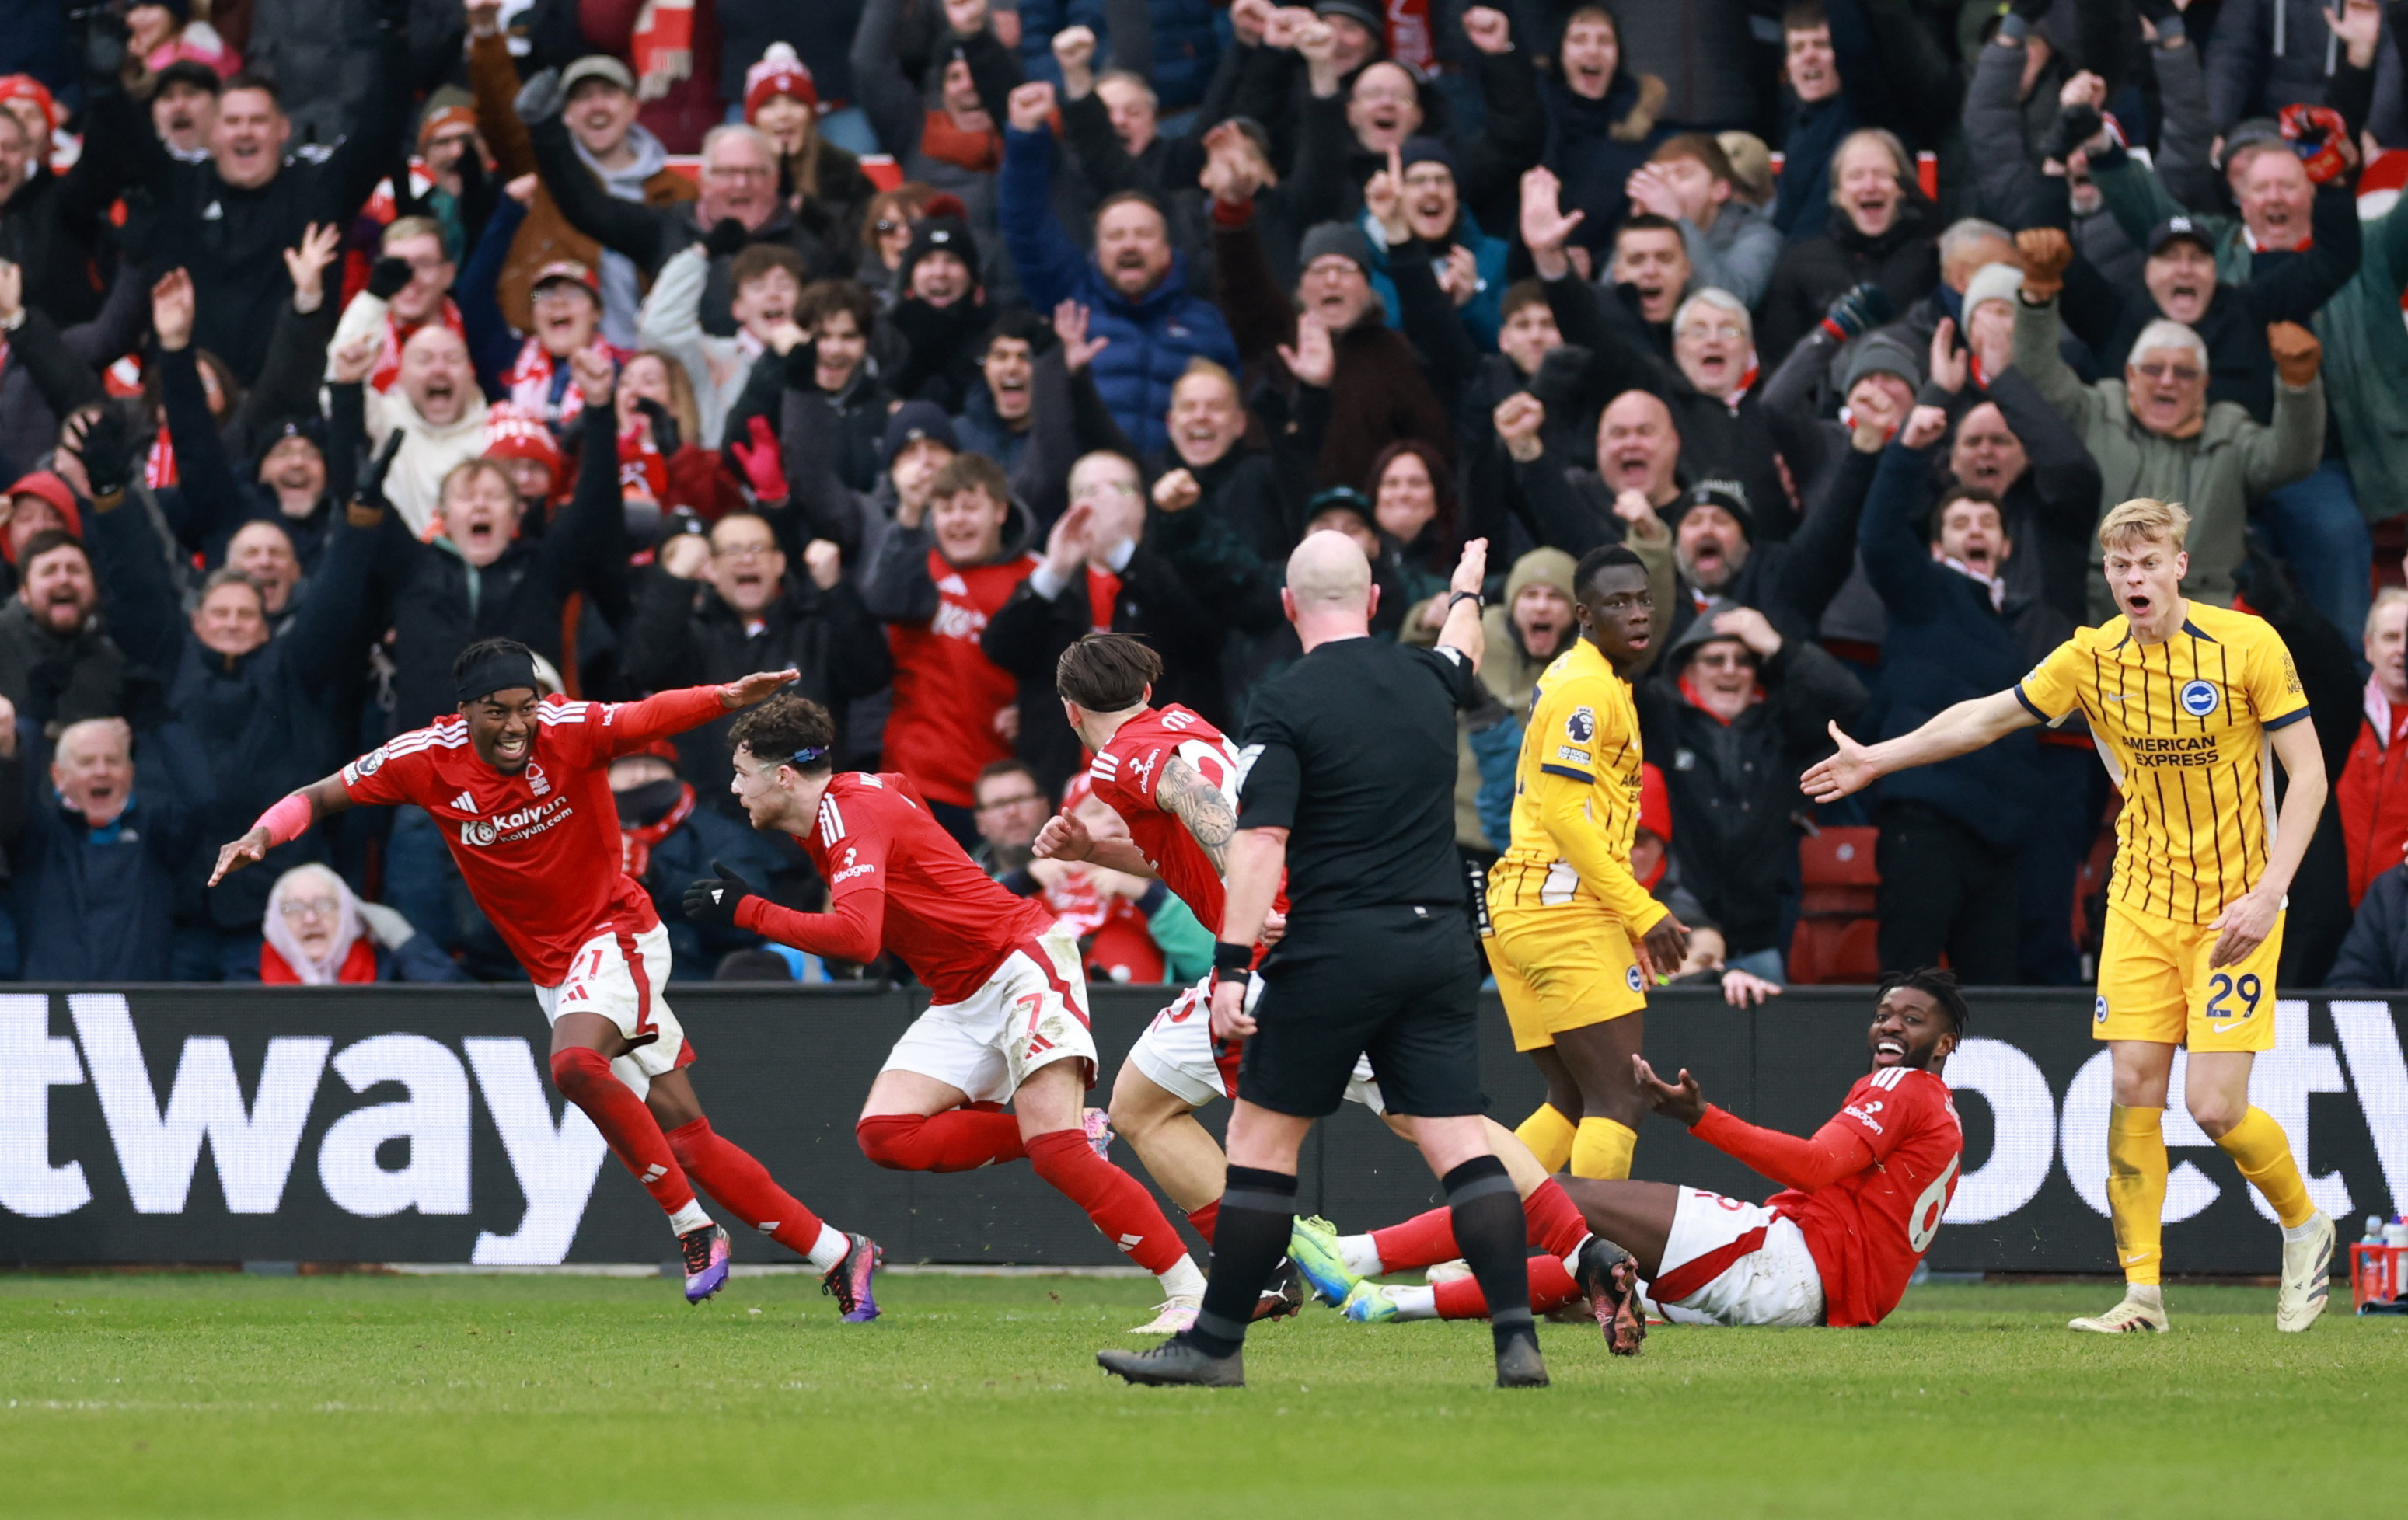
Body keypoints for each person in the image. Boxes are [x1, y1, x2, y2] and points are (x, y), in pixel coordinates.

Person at [208, 641, 885, 1316]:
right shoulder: (423, 759)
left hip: (615, 934)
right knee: (689, 1140)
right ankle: (838, 1252)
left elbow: (648, 717)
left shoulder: (569, 730)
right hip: (554, 970)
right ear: (464, 711)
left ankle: (693, 1228)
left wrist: (726, 698)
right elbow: (319, 796)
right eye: (498, 712)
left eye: (527, 708)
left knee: (572, 1064)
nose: (517, 726)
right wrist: (263, 836)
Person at [1803, 497, 2338, 1335]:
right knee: (2130, 1085)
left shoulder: (2245, 644)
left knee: (2214, 1107)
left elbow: (2305, 775)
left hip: (2235, 905)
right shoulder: (2089, 659)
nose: (2132, 578)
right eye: (2118, 566)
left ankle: (2304, 1224)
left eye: (2146, 562)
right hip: (2139, 900)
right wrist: (1880, 756)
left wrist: (2269, 891)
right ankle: (2141, 1296)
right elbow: (1985, 716)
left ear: (2177, 566)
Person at [1094, 530, 1552, 1390]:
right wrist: (1464, 590)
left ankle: (1215, 1347)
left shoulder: (1285, 701)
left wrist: (1231, 966)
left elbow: (1259, 841)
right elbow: (1463, 647)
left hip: (1337, 946)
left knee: (1261, 1144)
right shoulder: (1429, 676)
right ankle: (1514, 1342)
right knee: (1458, 1144)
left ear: (1286, 606)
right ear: (1376, 601)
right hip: (1439, 941)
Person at [686, 692, 1206, 1317]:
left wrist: (747, 910)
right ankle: (1080, 1129)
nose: (736, 789)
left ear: (784, 776)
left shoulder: (849, 816)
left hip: (1021, 963)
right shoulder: (861, 797)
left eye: (743, 774)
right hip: (961, 989)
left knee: (1057, 1155)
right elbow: (905, 808)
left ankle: (1190, 1292)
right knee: (887, 1135)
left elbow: (857, 937)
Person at [1300, 970, 1965, 1338]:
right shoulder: (1946, 1120)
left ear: (1944, 1044)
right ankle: (1391, 1304)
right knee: (1592, 1270)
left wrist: (1701, 1118)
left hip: (1789, 1263)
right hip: (1812, 1296)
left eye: (1913, 1019)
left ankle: (1356, 1255)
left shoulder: (1904, 1085)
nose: (1890, 1026)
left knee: (1563, 1201)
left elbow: (1815, 1167)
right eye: (1884, 1013)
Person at [1485, 542, 1687, 1189]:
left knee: (1571, 1103)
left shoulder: (1591, 678)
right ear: (1585, 615)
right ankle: (1599, 1272)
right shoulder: (1585, 686)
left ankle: (1464, 1250)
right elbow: (1569, 819)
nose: (1637, 615)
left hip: (1527, 902)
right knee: (1620, 1098)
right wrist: (1642, 910)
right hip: (1560, 905)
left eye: (1644, 601)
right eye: (1617, 603)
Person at [260, 863, 467, 983]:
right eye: (293, 908)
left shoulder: (388, 969)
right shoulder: (248, 972)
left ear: (348, 913)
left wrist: (403, 939)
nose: (310, 919)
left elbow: (464, 1003)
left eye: (325, 904)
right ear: (275, 921)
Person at [2340, 587, 2408, 908]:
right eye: (2391, 637)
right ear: (2369, 647)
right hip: (2334, 911)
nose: (2403, 650)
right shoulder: (2339, 719)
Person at [970, 758, 1048, 874]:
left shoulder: (1080, 859)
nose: (1012, 812)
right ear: (980, 822)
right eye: (998, 805)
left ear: (1045, 807)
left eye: (1021, 799)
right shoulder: (967, 879)